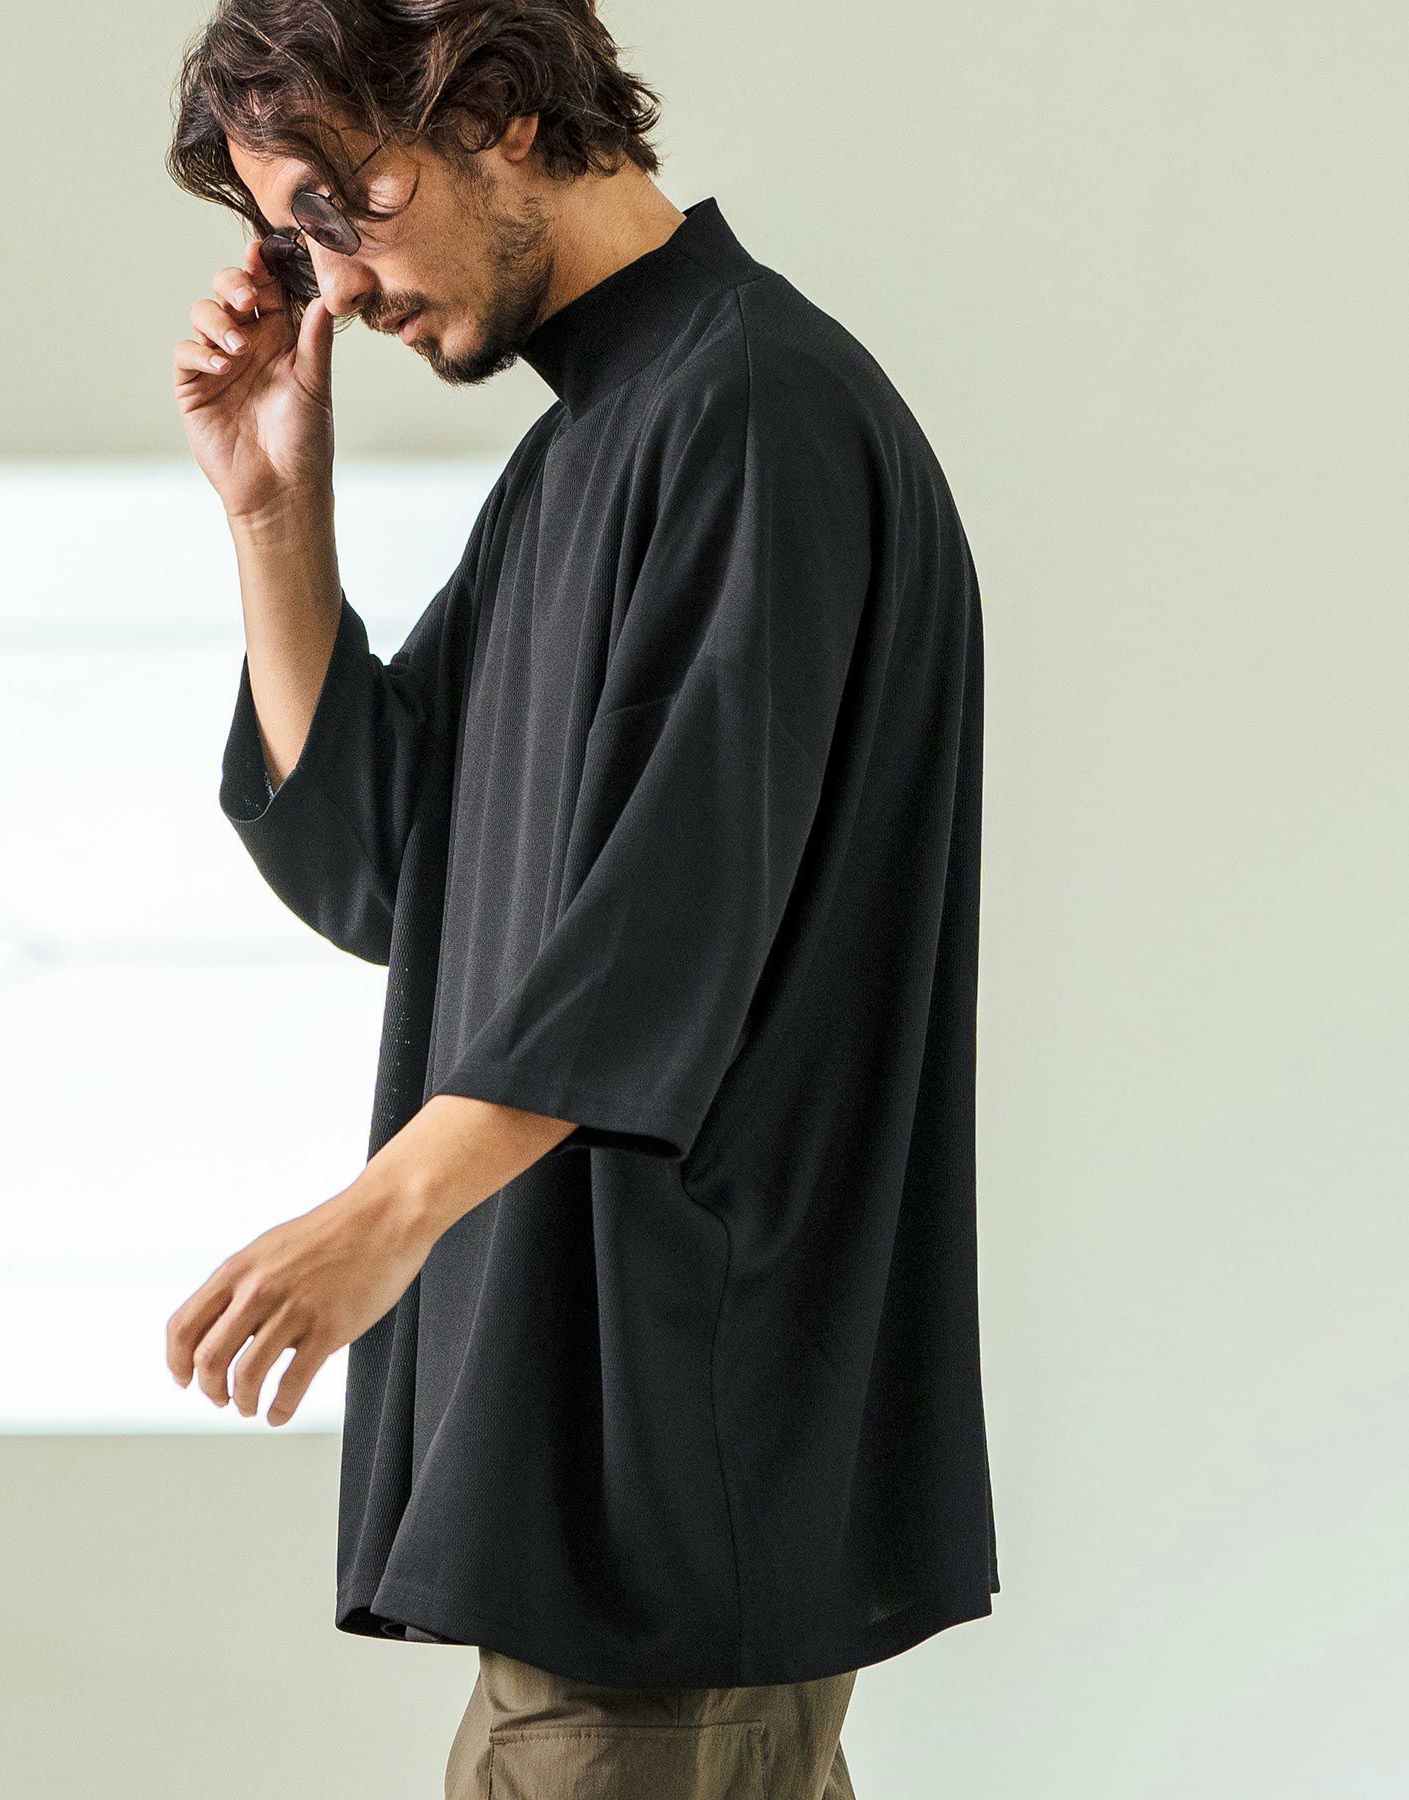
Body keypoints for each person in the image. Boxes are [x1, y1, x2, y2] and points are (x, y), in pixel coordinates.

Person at [163, 3, 997, 1794]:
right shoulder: (603, 437)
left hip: (669, 1478)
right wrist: (274, 514)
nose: (336, 287)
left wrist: (383, 1215)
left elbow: (670, 926)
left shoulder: (749, 408)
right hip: (612, 1507)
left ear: (504, 111)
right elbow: (395, 868)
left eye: (346, 206)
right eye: (297, 240)